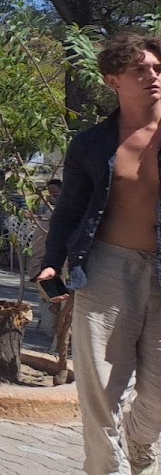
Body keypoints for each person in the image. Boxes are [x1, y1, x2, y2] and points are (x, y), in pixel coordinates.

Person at [37, 32, 161, 475]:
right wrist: (53, 258)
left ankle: (139, 439)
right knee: (101, 391)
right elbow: (70, 208)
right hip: (107, 267)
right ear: (113, 81)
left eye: (158, 69)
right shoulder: (91, 144)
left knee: (157, 395)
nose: (152, 76)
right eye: (140, 69)